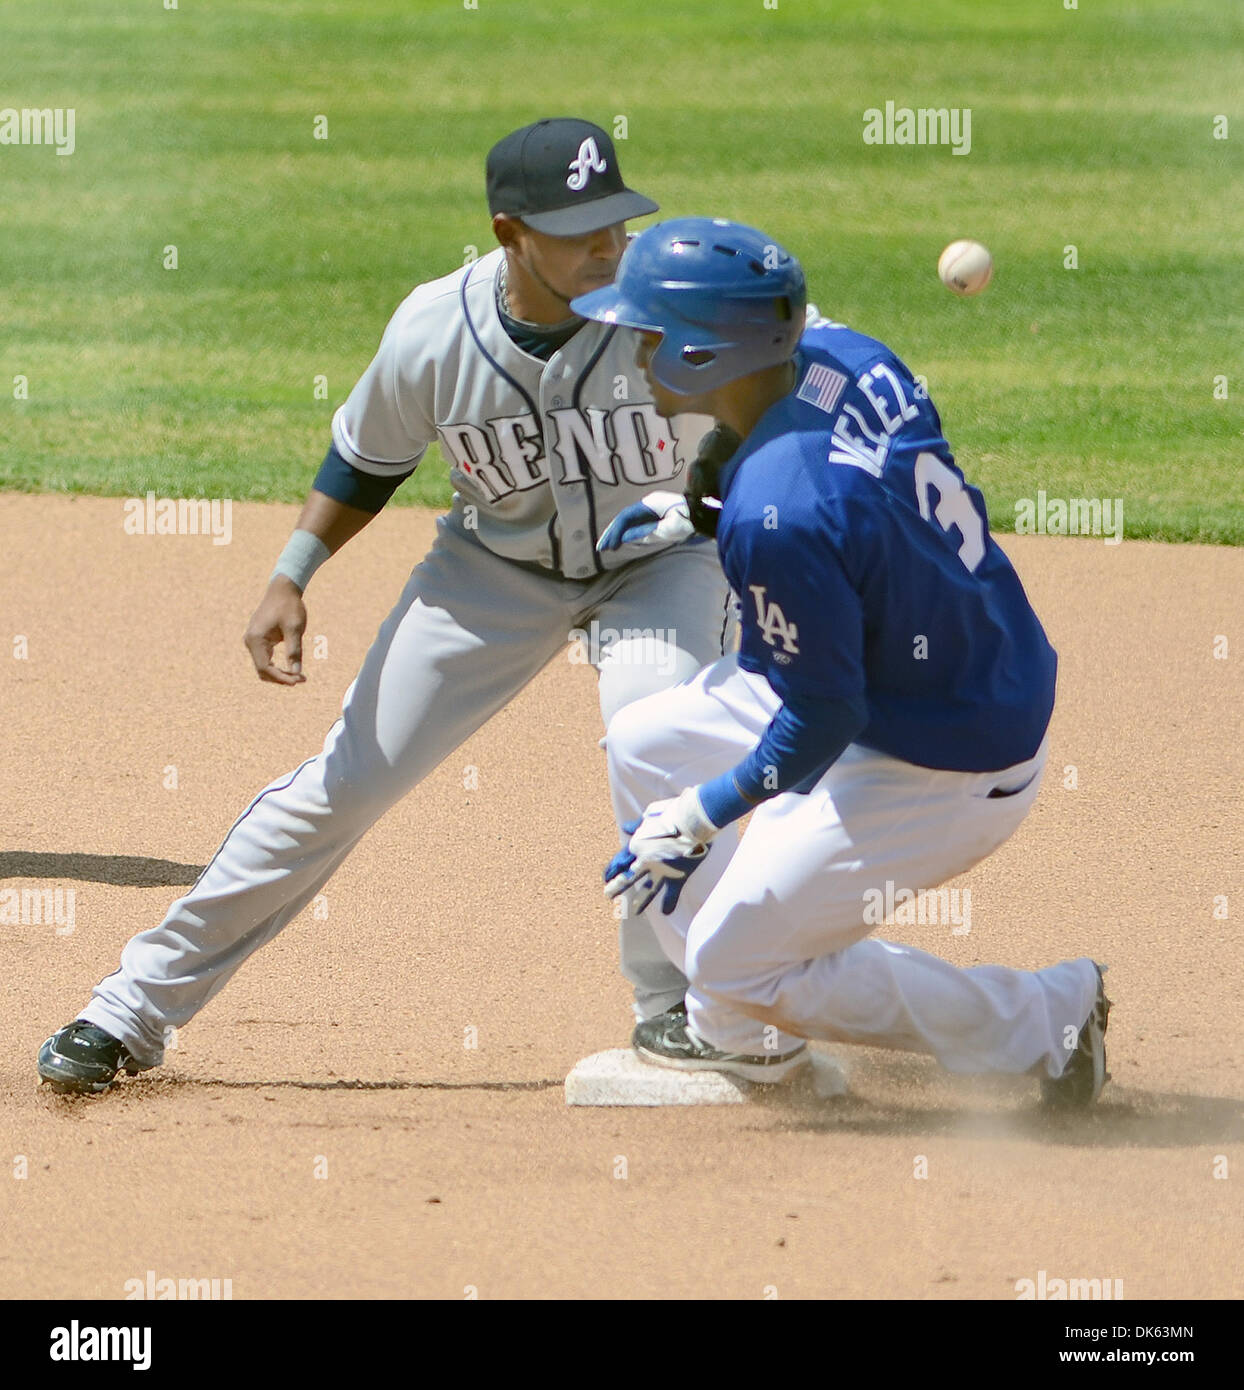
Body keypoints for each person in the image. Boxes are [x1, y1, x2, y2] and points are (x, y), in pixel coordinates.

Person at [37, 122, 732, 1096]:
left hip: (661, 565)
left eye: (615, 225)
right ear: (509, 233)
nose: (607, 250)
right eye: (579, 233)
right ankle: (129, 1009)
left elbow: (786, 382)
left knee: (657, 741)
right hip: (493, 570)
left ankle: (673, 1010)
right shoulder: (431, 329)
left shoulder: (671, 304)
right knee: (344, 783)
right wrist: (292, 569)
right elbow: (367, 460)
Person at [571, 216, 1111, 1106]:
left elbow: (822, 716)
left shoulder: (779, 516)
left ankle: (1046, 1021)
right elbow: (832, 483)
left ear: (704, 355)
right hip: (904, 651)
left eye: (648, 336)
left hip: (945, 744)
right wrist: (697, 504)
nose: (632, 355)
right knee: (642, 743)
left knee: (732, 954)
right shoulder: (847, 355)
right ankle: (739, 1024)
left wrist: (706, 813)